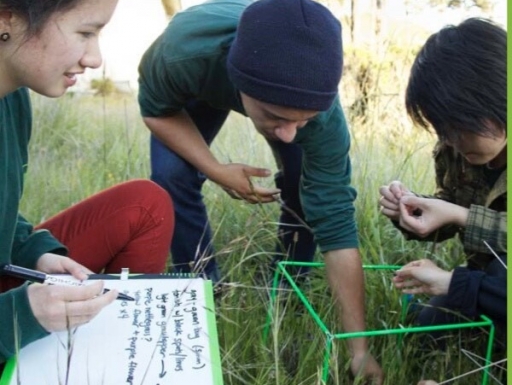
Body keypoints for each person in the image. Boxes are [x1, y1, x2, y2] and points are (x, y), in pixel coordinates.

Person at [138, 0, 383, 381]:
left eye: (304, 120)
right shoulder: (182, 53)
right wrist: (216, 170)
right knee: (171, 176)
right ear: (240, 85)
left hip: (252, 83)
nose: (288, 133)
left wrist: (360, 349)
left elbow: (336, 229)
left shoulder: (324, 121)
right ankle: (202, 293)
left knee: (303, 183)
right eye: (277, 117)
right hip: (201, 80)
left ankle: (285, 293)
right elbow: (157, 110)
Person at [0, 0, 175, 364]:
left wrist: (34, 252)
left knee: (145, 204)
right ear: (7, 20)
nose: (95, 59)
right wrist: (15, 318)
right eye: (85, 32)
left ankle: (118, 355)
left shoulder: (13, 100)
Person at [379, 18, 506, 336]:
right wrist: (413, 209)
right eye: (442, 128)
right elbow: (449, 207)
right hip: (483, 279)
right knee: (426, 328)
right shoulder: (452, 151)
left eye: (462, 125)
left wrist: (460, 216)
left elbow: (459, 214)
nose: (453, 141)